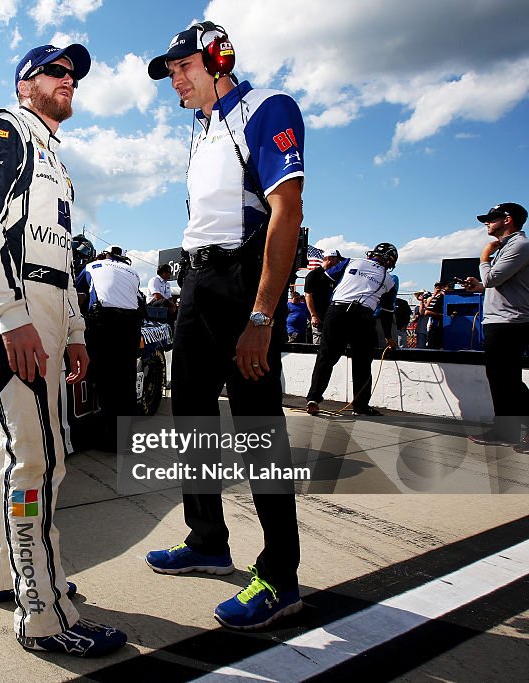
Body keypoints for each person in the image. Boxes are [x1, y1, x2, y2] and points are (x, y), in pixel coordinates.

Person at [0, 42, 126, 657]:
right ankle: (46, 614)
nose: (70, 81)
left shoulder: (53, 154)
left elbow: (63, 255)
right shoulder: (5, 130)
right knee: (41, 458)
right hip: (18, 306)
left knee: (16, 454)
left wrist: (77, 330)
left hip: (49, 304)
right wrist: (12, 316)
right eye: (56, 72)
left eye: (74, 75)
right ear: (25, 83)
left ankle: (5, 576)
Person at [143, 21, 305, 630]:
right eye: (172, 72)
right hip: (198, 282)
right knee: (190, 418)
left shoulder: (266, 107)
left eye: (183, 67)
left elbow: (286, 211)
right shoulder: (203, 128)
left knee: (260, 432)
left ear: (217, 59)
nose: (175, 81)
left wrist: (262, 314)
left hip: (244, 281)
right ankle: (208, 540)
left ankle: (280, 578)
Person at [463, 202, 529, 450]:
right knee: (501, 380)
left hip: (510, 322)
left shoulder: (520, 245)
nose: (487, 223)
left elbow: (492, 278)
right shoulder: (509, 247)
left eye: (492, 218)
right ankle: (506, 431)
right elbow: (498, 284)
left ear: (508, 219)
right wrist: (478, 287)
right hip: (499, 320)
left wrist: (484, 257)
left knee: (508, 381)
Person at [305, 243, 399, 416]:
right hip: (363, 316)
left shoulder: (351, 261)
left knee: (326, 356)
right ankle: (360, 406)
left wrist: (325, 310)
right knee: (363, 362)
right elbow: (386, 312)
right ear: (390, 260)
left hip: (337, 311)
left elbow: (325, 279)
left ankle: (313, 397)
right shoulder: (389, 280)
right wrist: (388, 337)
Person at [76, 246, 143, 451]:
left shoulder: (91, 266)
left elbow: (77, 297)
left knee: (105, 379)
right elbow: (138, 301)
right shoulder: (134, 273)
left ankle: (110, 439)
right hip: (131, 325)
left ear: (103, 255)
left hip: (104, 321)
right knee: (127, 379)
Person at [304, 249, 341, 344]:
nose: (338, 263)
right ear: (329, 258)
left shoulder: (334, 276)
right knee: (319, 344)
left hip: (331, 315)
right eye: (337, 260)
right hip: (319, 317)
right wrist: (314, 315)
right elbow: (308, 295)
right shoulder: (314, 275)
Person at [424, 282, 446, 349]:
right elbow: (427, 312)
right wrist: (443, 316)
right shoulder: (437, 298)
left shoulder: (448, 298)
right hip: (436, 327)